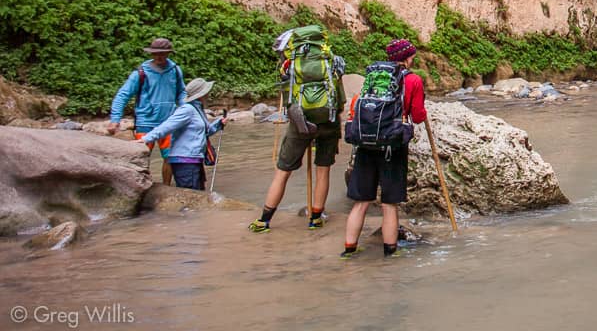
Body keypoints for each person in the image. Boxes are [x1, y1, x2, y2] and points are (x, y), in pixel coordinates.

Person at [248, 33, 346, 233]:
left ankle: (264, 220)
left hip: (300, 122)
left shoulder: (288, 66)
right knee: (323, 170)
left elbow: (289, 104)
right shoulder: (332, 61)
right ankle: (316, 218)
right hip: (329, 120)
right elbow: (340, 99)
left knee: (283, 170)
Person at [341, 38, 426, 259]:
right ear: (407, 57)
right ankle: (390, 252)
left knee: (361, 202)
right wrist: (424, 114)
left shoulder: (374, 75)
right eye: (412, 55)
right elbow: (417, 116)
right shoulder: (414, 80)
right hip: (392, 146)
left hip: (365, 144)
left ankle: (349, 249)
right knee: (389, 203)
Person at [109, 37, 187, 186]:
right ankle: (142, 187)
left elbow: (181, 92)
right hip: (145, 122)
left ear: (169, 53)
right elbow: (123, 95)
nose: (159, 56)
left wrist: (184, 108)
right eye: (156, 53)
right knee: (141, 158)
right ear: (151, 53)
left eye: (163, 53)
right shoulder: (141, 73)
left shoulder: (175, 70)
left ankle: (166, 187)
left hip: (169, 121)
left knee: (169, 157)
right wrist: (115, 119)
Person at [136, 77, 228, 190]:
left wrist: (219, 123)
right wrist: (146, 139)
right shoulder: (187, 109)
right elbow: (167, 126)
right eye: (207, 92)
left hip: (194, 160)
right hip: (184, 161)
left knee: (197, 194)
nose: (208, 94)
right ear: (201, 94)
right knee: (191, 196)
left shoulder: (197, 109)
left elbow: (206, 131)